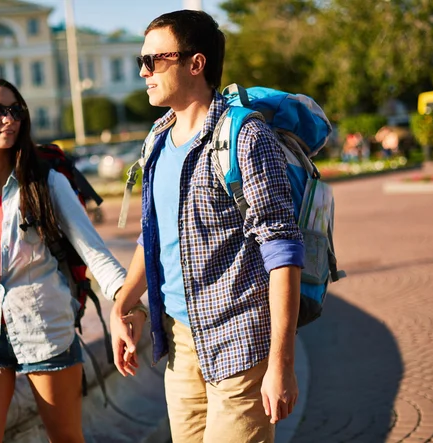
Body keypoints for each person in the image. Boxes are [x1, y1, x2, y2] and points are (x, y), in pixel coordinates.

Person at [110, 10, 304, 443]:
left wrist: (282, 364)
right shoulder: (158, 138)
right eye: (141, 61)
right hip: (180, 343)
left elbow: (283, 251)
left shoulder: (245, 137)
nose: (144, 72)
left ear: (195, 64)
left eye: (155, 60)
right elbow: (153, 233)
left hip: (239, 340)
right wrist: (124, 303)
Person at [0, 76, 127, 443]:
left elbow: (95, 252)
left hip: (45, 332)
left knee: (66, 439)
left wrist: (126, 305)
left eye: (15, 111)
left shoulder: (46, 182)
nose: (9, 119)